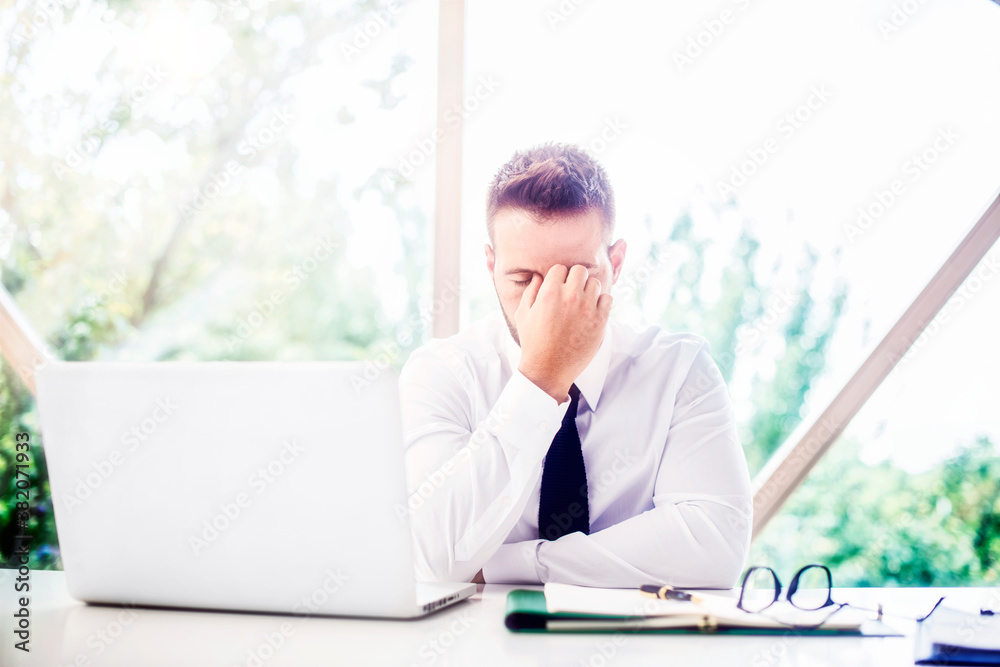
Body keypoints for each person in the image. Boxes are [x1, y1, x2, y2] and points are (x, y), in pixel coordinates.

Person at [398, 142, 752, 587]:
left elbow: (713, 548)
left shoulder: (679, 371)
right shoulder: (442, 373)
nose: (551, 303)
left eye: (576, 276)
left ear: (615, 263)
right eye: (524, 279)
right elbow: (429, 554)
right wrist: (541, 380)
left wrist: (510, 566)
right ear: (491, 266)